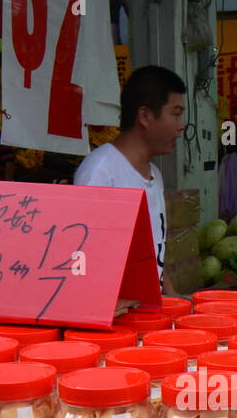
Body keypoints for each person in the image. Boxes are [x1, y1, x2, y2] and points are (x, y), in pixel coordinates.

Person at [75, 65, 186, 294]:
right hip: (117, 321)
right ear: (145, 116)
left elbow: (156, 255)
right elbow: (82, 261)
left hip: (147, 316)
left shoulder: (154, 175)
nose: (181, 125)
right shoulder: (100, 172)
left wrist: (174, 303)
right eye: (175, 113)